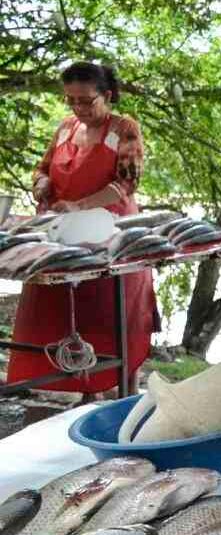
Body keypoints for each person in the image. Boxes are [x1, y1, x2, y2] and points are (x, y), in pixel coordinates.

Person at [6, 62, 158, 395]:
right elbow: (42, 170)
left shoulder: (123, 128)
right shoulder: (65, 128)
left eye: (87, 101)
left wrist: (79, 205)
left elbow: (127, 183)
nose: (79, 108)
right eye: (71, 100)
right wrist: (42, 185)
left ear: (107, 95)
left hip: (109, 237)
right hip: (63, 237)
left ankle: (124, 397)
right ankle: (85, 395)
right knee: (70, 320)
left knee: (112, 322)